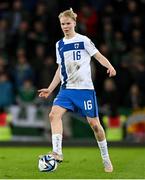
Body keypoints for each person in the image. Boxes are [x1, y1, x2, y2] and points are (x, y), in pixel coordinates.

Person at [38, 8, 116, 173]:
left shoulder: (84, 41)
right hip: (67, 90)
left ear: (74, 23)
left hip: (84, 90)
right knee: (53, 115)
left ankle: (105, 158)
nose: (65, 26)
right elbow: (60, 69)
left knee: (95, 125)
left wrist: (109, 65)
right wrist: (51, 89)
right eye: (62, 24)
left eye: (67, 23)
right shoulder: (59, 45)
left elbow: (98, 56)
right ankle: (57, 152)